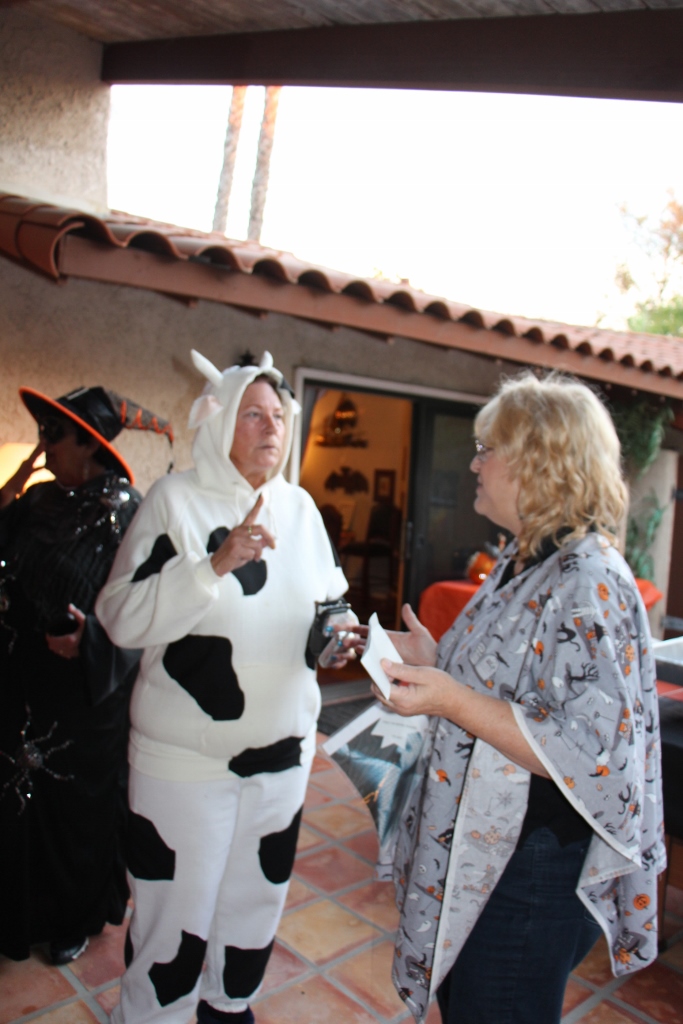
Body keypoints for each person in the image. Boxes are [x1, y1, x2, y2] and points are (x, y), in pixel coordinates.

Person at [363, 372, 666, 1024]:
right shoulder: (525, 559)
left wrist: (448, 699)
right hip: (491, 853)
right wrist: (434, 662)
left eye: (486, 448)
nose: (473, 462)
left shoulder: (589, 580)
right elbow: (522, 687)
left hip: (525, 875)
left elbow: (590, 751)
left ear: (539, 461)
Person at [95, 350, 349, 1024]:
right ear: (217, 423)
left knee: (253, 905)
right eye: (252, 415)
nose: (270, 429)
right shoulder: (173, 501)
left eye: (278, 417)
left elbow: (331, 602)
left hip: (282, 760)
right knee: (174, 909)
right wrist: (212, 564)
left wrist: (342, 631)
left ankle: (228, 1008)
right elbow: (118, 616)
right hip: (185, 764)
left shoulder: (300, 510)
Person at [0, 383, 172, 965]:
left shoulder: (131, 516)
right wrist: (16, 482)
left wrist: (92, 641)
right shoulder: (37, 501)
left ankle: (73, 917)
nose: (44, 445)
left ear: (88, 444)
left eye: (53, 435)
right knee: (22, 802)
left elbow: (149, 610)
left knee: (76, 813)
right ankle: (21, 915)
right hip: (23, 680)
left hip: (87, 694)